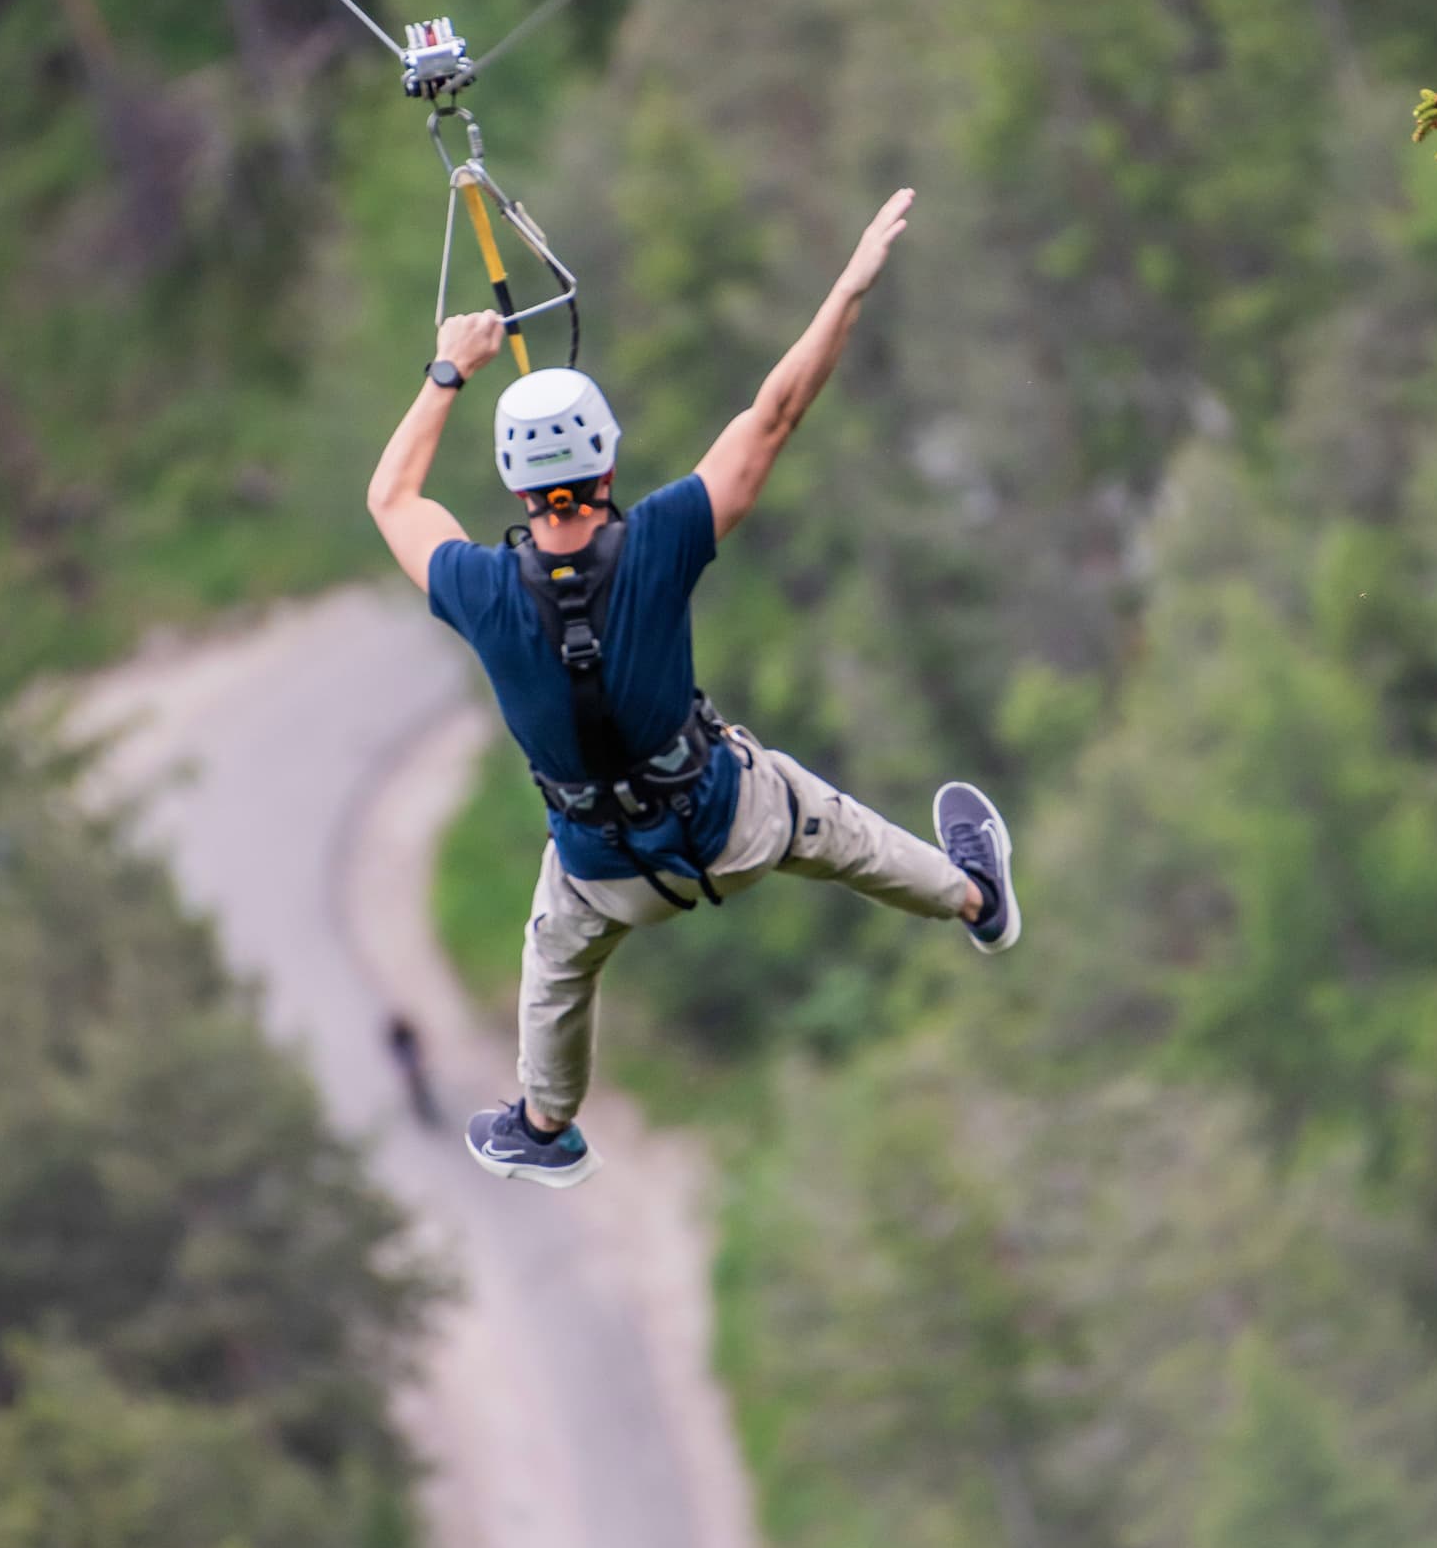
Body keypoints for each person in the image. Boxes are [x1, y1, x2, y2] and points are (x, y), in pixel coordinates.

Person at [365, 186, 1019, 1190]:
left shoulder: (478, 588)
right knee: (827, 825)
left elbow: (392, 497)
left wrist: (450, 368)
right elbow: (775, 414)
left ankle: (545, 1125)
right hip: (728, 827)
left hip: (604, 873)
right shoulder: (662, 539)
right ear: (608, 458)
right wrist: (847, 289)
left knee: (556, 957)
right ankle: (975, 897)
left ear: (512, 482)